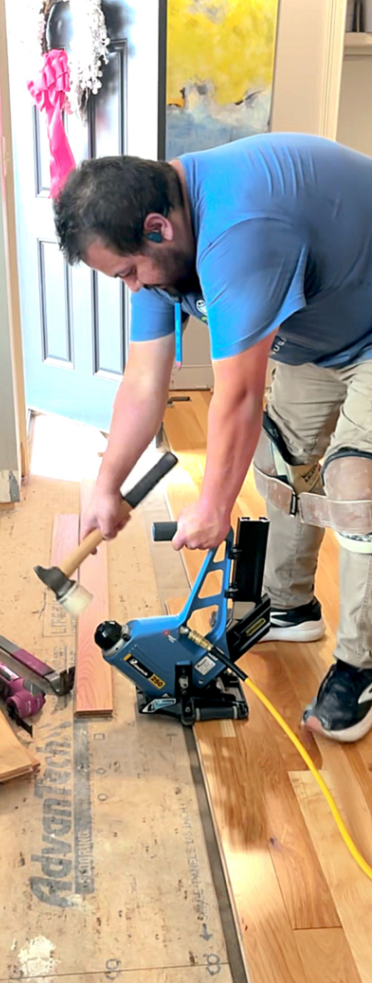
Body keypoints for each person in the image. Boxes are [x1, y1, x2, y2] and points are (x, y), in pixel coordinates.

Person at [54, 132, 372, 743]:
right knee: (282, 461)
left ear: (157, 229)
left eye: (128, 273)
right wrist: (106, 485)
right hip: (327, 330)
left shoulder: (240, 227)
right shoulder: (159, 254)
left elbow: (239, 395)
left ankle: (360, 667)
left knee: (357, 483)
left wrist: (212, 507)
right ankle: (290, 605)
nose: (132, 287)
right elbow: (144, 382)